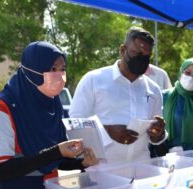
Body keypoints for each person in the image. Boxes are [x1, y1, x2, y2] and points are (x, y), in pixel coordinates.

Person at [0, 41, 99, 189]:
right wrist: (56, 151)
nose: (60, 75)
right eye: (53, 69)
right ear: (32, 71)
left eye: (63, 69)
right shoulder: (4, 108)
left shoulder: (54, 105)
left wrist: (81, 163)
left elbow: (56, 162)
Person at [70, 27, 166, 165]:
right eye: (137, 52)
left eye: (146, 55)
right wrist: (107, 131)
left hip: (141, 169)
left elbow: (155, 137)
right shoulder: (93, 80)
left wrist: (159, 134)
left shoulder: (154, 90)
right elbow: (74, 125)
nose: (142, 58)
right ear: (123, 50)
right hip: (101, 171)